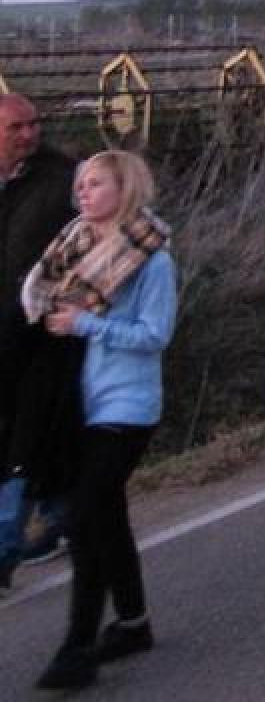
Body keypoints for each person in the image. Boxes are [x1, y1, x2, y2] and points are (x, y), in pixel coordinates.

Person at [20, 152, 174, 692]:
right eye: (81, 184)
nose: (83, 192)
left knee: (85, 519)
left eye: (95, 183)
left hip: (126, 406)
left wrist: (87, 324)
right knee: (107, 516)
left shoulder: (151, 259)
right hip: (77, 404)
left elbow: (155, 334)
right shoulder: (72, 247)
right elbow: (36, 301)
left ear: (124, 188)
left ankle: (78, 647)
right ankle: (133, 622)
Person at [1, 94, 77, 588]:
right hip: (5, 330)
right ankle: (61, 513)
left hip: (44, 326)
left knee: (28, 430)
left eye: (33, 125)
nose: (29, 134)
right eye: (16, 128)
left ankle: (9, 543)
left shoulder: (60, 178)